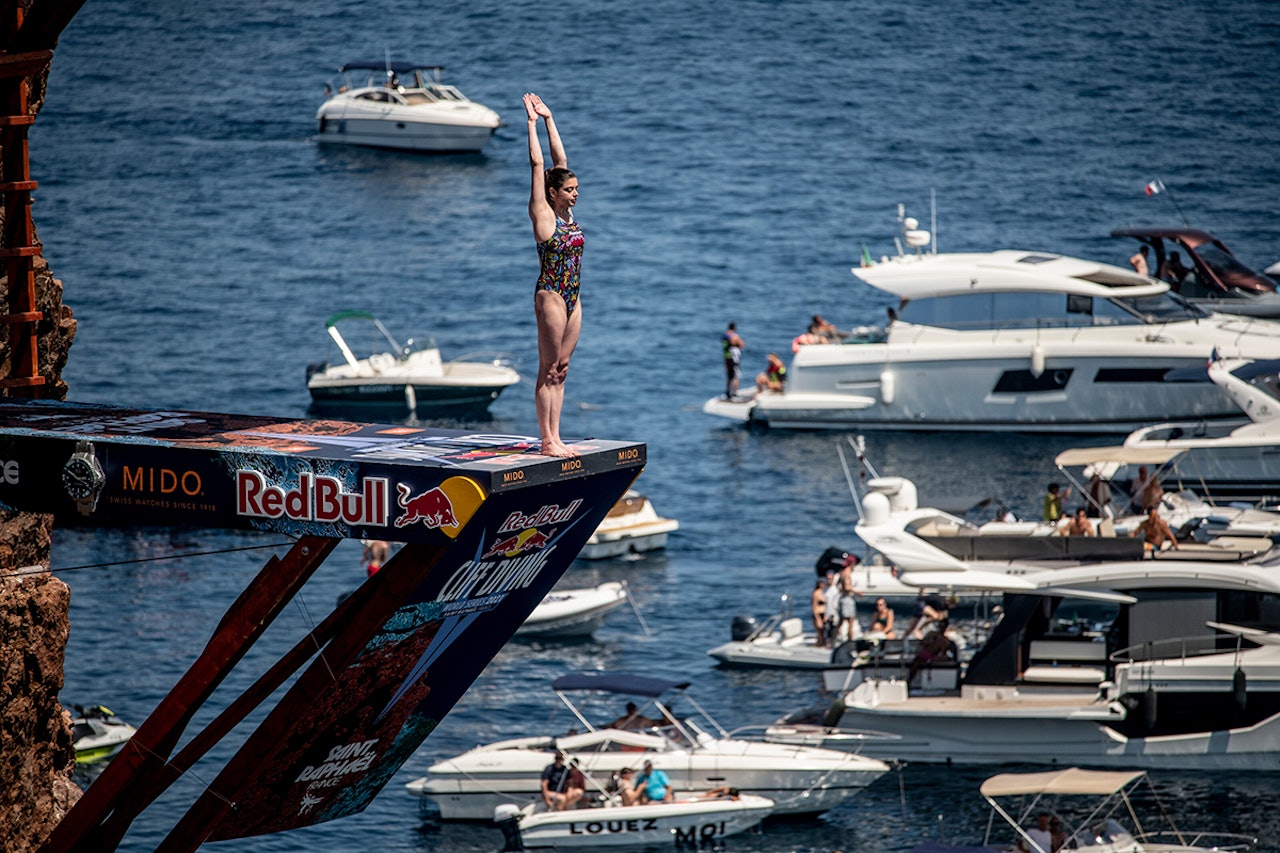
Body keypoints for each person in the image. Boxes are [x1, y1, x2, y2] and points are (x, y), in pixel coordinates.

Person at [524, 92, 583, 458]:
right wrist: (531, 124)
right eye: (569, 190)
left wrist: (550, 118)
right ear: (553, 193)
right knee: (547, 368)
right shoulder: (544, 215)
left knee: (562, 369)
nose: (576, 194)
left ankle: (558, 437)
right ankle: (547, 442)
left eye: (577, 189)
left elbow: (559, 161)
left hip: (575, 295)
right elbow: (538, 163)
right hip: (551, 295)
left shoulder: (568, 214)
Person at [907, 617, 957, 683]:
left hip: (934, 656)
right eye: (940, 626)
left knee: (946, 658)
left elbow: (943, 652)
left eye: (943, 626)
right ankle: (909, 681)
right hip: (925, 653)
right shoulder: (932, 634)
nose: (941, 628)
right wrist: (929, 641)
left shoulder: (945, 641)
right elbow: (922, 643)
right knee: (917, 661)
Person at [837, 556, 863, 642]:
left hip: (842, 598)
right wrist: (857, 592)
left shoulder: (842, 573)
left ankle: (832, 639)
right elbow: (847, 588)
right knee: (850, 622)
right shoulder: (847, 574)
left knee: (841, 621)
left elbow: (839, 586)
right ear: (852, 564)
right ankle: (850, 641)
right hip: (847, 599)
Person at [721, 322, 745, 399]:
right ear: (734, 328)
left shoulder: (725, 336)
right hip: (734, 358)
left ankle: (727, 392)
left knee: (729, 376)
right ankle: (735, 394)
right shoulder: (734, 336)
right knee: (736, 376)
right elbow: (742, 345)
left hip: (727, 357)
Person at [810, 579, 827, 646]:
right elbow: (814, 607)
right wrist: (817, 618)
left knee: (823, 632)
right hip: (818, 614)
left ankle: (821, 644)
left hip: (823, 614)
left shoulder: (823, 592)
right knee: (819, 631)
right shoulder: (816, 593)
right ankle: (818, 645)